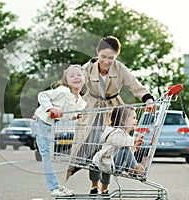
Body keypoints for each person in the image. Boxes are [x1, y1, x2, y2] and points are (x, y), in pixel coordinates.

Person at [66, 36, 155, 194]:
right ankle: (94, 185)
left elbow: (133, 83)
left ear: (116, 57)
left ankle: (106, 186)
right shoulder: (86, 68)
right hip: (92, 111)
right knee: (94, 148)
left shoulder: (120, 68)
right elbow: (74, 88)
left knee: (111, 148)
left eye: (111, 58)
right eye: (103, 57)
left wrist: (147, 98)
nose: (106, 61)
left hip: (113, 110)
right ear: (97, 53)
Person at [31, 64, 87, 197]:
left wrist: (74, 116)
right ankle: (54, 187)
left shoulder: (79, 101)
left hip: (52, 125)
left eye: (79, 75)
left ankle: (55, 186)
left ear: (85, 79)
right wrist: (50, 108)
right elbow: (42, 95)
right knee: (46, 155)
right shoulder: (63, 91)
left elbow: (65, 114)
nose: (76, 78)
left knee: (50, 155)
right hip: (42, 121)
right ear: (66, 80)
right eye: (71, 75)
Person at [92, 106, 146, 176]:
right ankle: (135, 168)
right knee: (124, 148)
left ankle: (131, 169)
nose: (136, 120)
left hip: (115, 164)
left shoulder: (125, 134)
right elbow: (120, 142)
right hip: (107, 162)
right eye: (133, 118)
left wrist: (134, 146)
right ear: (123, 121)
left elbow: (127, 155)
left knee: (125, 149)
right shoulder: (116, 132)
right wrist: (135, 140)